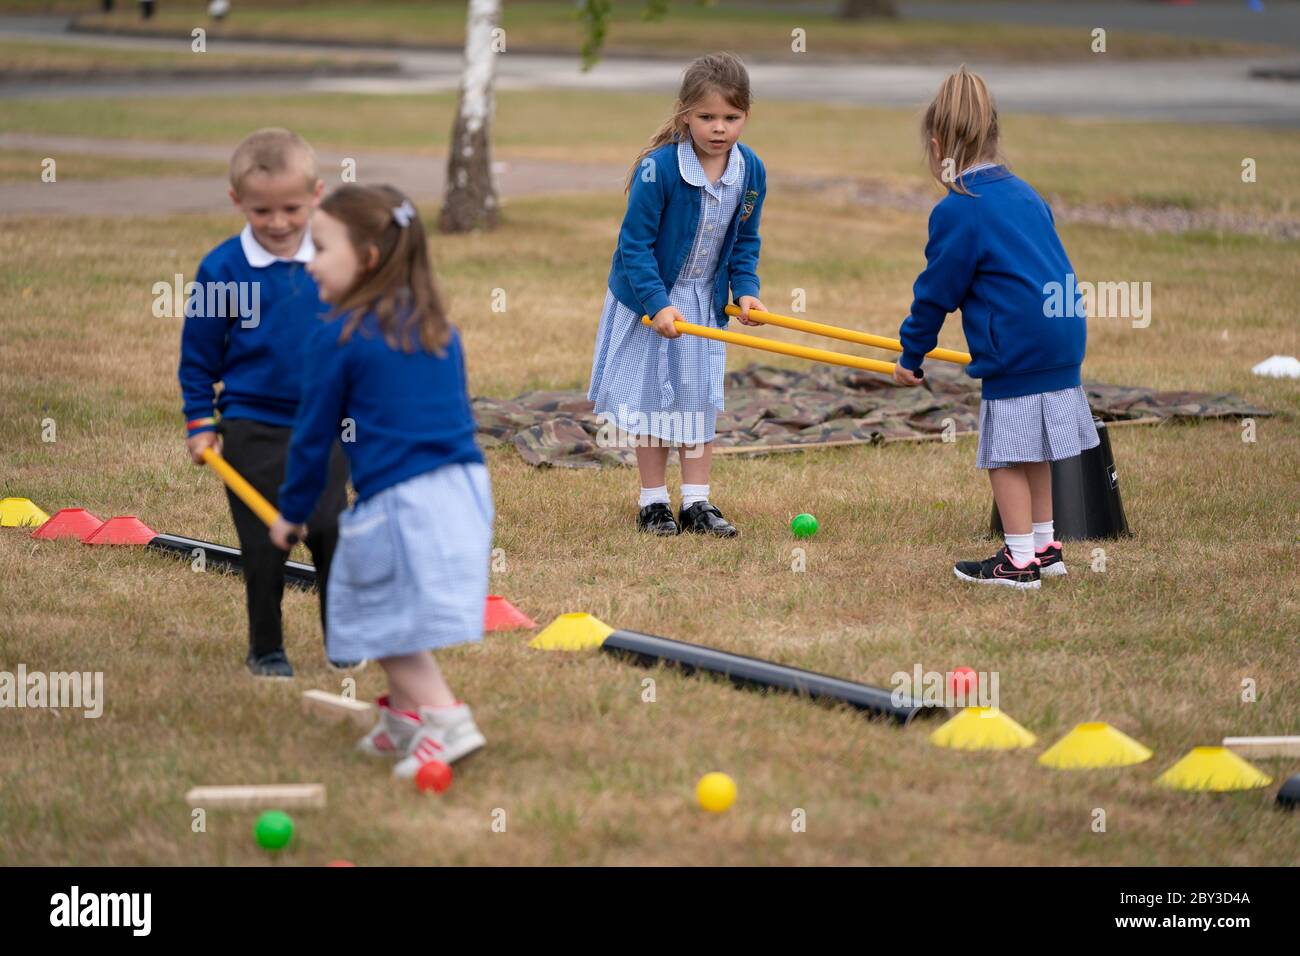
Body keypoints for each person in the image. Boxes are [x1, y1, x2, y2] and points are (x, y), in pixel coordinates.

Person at [271, 185, 491, 777]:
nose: (309, 261)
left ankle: (446, 719)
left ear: (367, 258)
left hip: (401, 497)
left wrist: (290, 513)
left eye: (320, 247)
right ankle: (400, 722)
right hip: (465, 490)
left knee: (382, 618)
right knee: (378, 605)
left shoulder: (338, 335)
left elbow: (312, 437)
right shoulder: (438, 327)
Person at [893, 67, 1098, 589]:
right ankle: (1047, 546)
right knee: (1037, 450)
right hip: (1062, 340)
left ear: (938, 145)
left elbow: (935, 293)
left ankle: (1018, 560)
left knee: (1005, 454)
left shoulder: (961, 210)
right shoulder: (1027, 194)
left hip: (1017, 351)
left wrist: (911, 356)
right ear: (993, 135)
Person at [178, 127, 353, 676]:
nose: (278, 223)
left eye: (292, 208)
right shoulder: (222, 269)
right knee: (263, 545)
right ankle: (267, 647)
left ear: (317, 194)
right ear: (237, 202)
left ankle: (343, 635)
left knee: (330, 531)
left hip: (323, 425)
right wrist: (199, 420)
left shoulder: (332, 259)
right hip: (251, 426)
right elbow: (199, 356)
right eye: (262, 211)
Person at [588, 52, 768, 538]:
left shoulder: (750, 171)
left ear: (745, 116)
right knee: (653, 403)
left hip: (702, 304)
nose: (719, 128)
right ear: (685, 113)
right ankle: (652, 502)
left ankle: (696, 502)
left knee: (696, 402)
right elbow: (634, 246)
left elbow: (745, 242)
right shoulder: (660, 169)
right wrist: (657, 304)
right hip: (652, 301)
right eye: (707, 117)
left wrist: (746, 292)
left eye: (731, 118)